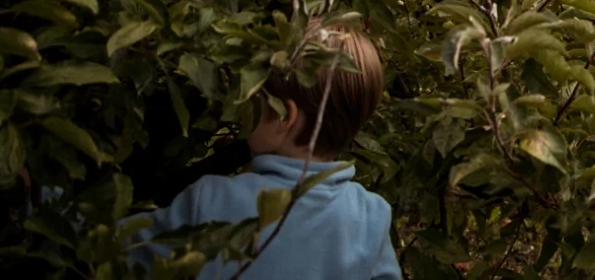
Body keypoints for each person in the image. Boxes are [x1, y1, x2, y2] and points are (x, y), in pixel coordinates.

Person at [126, 23, 400, 279]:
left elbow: (117, 250)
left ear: (284, 117)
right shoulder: (371, 217)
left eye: (255, 96)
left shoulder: (211, 200)